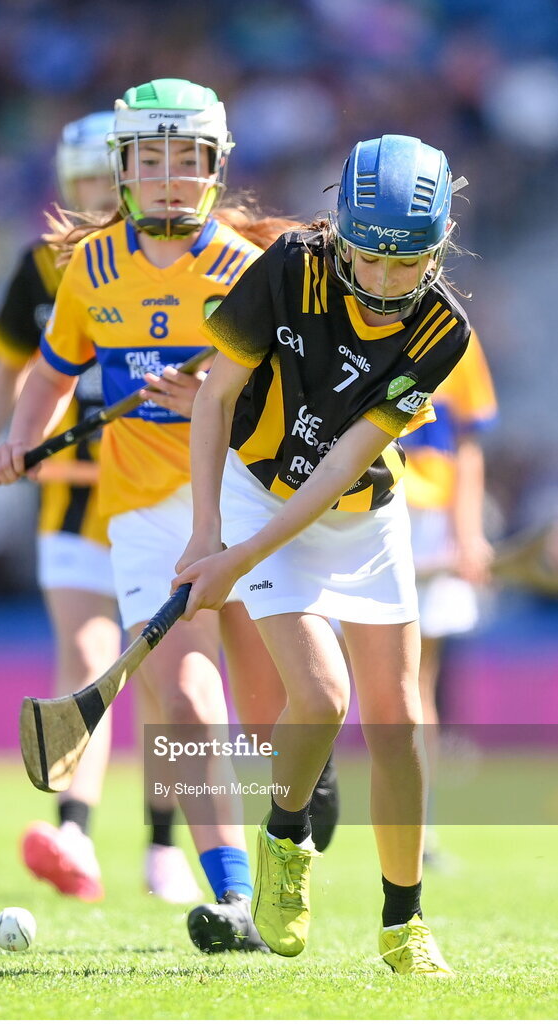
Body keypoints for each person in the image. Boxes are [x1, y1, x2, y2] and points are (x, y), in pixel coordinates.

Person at [0, 78, 337, 952]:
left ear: (216, 169)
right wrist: (21, 441)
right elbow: (53, 371)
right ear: (124, 169)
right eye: (152, 159)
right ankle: (235, 899)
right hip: (143, 510)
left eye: (189, 159)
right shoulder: (89, 267)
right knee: (181, 694)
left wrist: (212, 401)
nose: (170, 177)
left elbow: (302, 398)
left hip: (251, 501)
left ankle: (298, 783)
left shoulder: (253, 272)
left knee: (268, 706)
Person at [173, 134, 471, 974]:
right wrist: (206, 533)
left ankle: (403, 925)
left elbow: (343, 462)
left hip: (361, 516)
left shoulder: (442, 330)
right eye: (367, 257)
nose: (382, 283)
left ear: (438, 249)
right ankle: (285, 837)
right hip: (254, 491)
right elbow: (214, 398)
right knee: (320, 696)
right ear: (339, 232)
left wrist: (235, 563)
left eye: (406, 262)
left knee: (400, 720)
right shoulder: (288, 270)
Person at [0, 112, 202, 906]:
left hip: (160, 497)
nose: (93, 197)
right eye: (80, 183)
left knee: (165, 683)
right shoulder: (49, 266)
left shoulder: (175, 258)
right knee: (88, 661)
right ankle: (77, 831)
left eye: (101, 180)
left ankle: (164, 843)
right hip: (71, 504)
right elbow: (15, 370)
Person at [400, 331, 497, 864]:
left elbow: (467, 440)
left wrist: (467, 533)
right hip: (353, 506)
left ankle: (419, 828)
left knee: (416, 682)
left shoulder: (456, 336)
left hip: (432, 521)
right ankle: (305, 820)